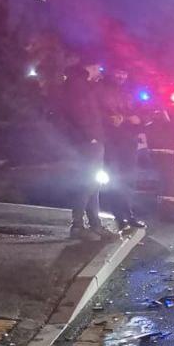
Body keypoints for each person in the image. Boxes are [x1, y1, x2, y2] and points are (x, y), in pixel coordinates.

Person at [62, 61, 118, 241]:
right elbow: (80, 113)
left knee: (93, 183)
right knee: (88, 183)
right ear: (90, 67)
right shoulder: (77, 85)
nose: (99, 72)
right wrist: (91, 136)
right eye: (97, 68)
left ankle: (95, 224)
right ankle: (77, 225)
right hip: (88, 142)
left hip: (90, 140)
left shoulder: (82, 85)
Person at [99, 67, 145, 230]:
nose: (121, 75)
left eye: (124, 72)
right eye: (118, 72)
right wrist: (118, 119)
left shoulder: (130, 91)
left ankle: (128, 213)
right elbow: (98, 113)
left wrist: (138, 119)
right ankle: (119, 215)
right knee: (115, 178)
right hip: (111, 140)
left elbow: (142, 111)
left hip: (129, 139)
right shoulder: (102, 90)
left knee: (128, 178)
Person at [142, 86, 174, 223]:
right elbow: (169, 126)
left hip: (168, 151)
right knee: (170, 183)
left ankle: (169, 210)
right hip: (165, 152)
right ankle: (170, 211)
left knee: (169, 182)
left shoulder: (171, 105)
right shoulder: (157, 110)